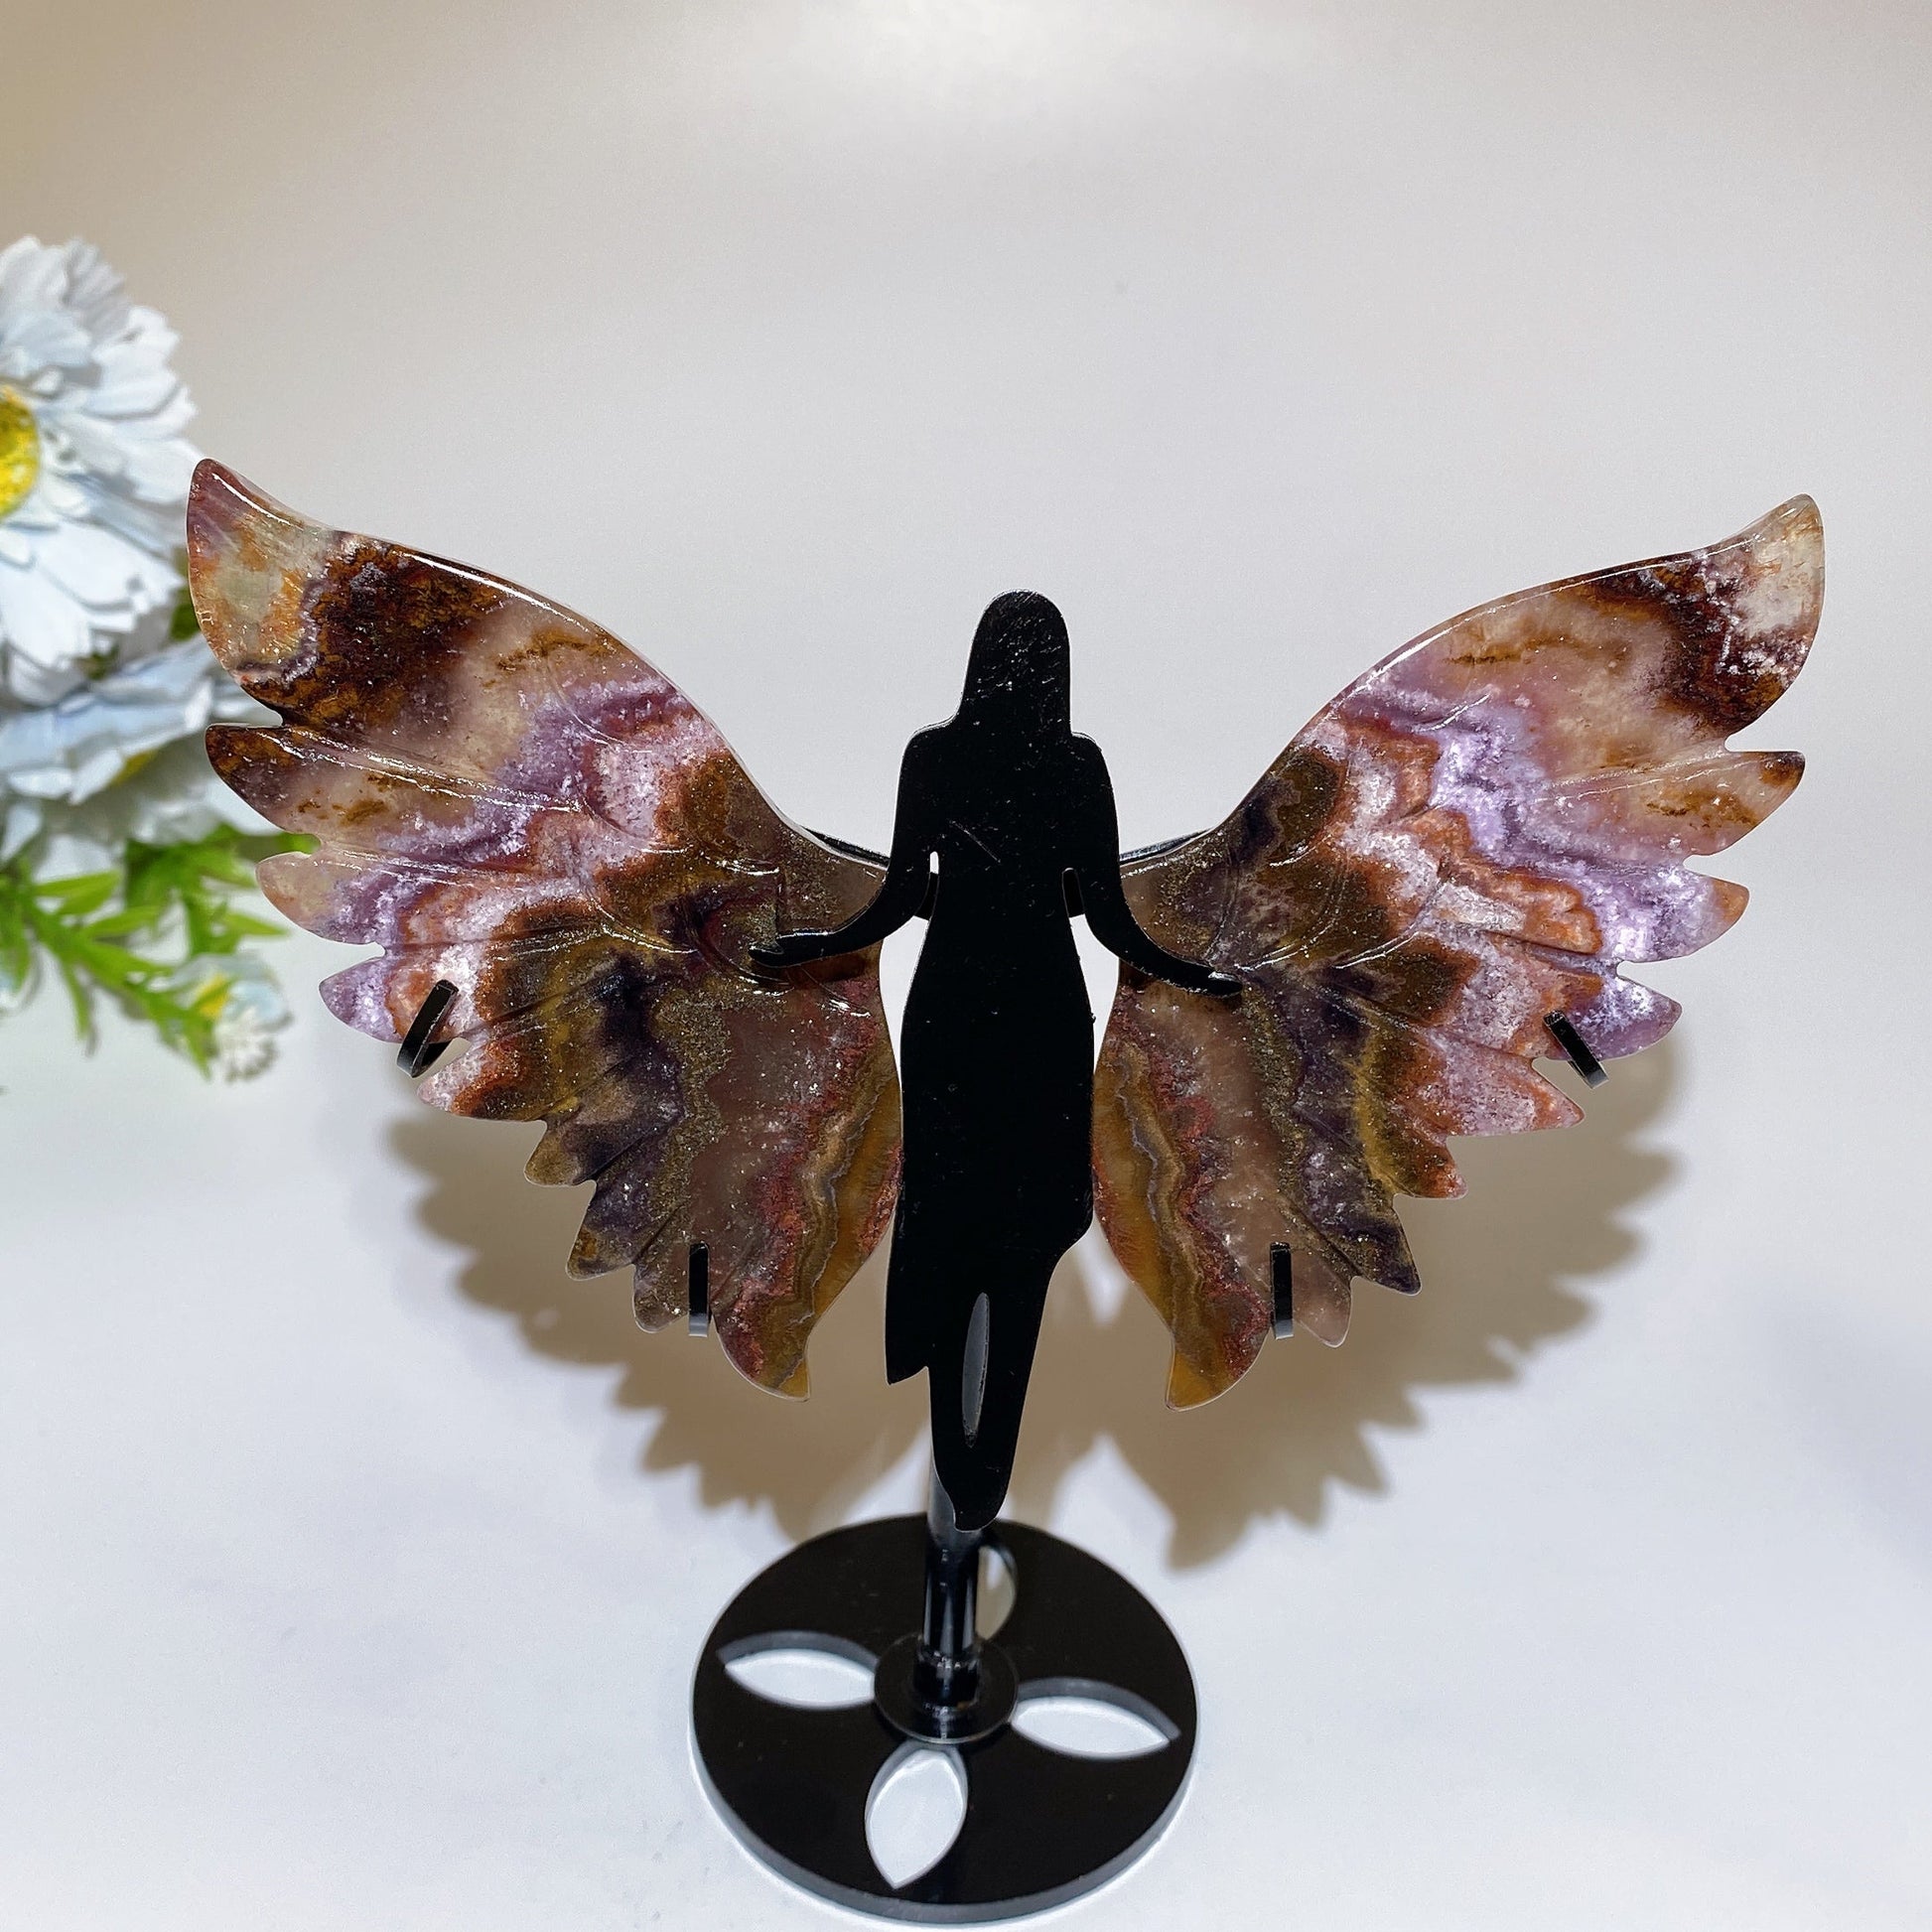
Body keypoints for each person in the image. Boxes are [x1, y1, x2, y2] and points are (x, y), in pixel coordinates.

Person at [759, 592, 1236, 1529]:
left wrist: (822, 943)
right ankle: (983, 1447)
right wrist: (1192, 973)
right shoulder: (1073, 765)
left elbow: (901, 897)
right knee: (1021, 1213)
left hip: (955, 999)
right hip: (1041, 1001)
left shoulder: (937, 757)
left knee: (955, 1205)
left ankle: (961, 1437)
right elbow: (1107, 919)